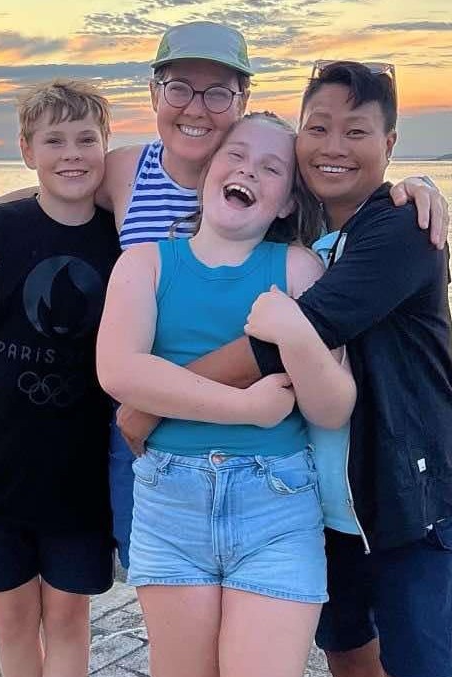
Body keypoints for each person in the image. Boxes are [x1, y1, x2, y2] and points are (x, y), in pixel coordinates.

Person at [0, 22, 452, 571]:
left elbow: (341, 179)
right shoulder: (128, 170)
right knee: (157, 576)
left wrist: (416, 186)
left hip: (257, 436)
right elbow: (60, 183)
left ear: (242, 100)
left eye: (218, 93)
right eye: (180, 88)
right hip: (151, 428)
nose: (196, 107)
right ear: (155, 94)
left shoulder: (267, 168)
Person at [97, 112, 355, 677]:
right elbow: (119, 371)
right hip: (170, 504)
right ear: (206, 171)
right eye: (235, 156)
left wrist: (294, 332)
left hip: (277, 505)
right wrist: (246, 408)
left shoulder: (298, 268)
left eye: (271, 168)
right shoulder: (144, 264)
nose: (248, 171)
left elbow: (333, 406)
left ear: (287, 202)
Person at [0, 79, 120, 677]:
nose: (72, 154)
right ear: (27, 151)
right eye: (54, 141)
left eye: (86, 139)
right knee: (12, 617)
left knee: (68, 618)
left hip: (84, 470)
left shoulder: (123, 236)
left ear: (105, 145)